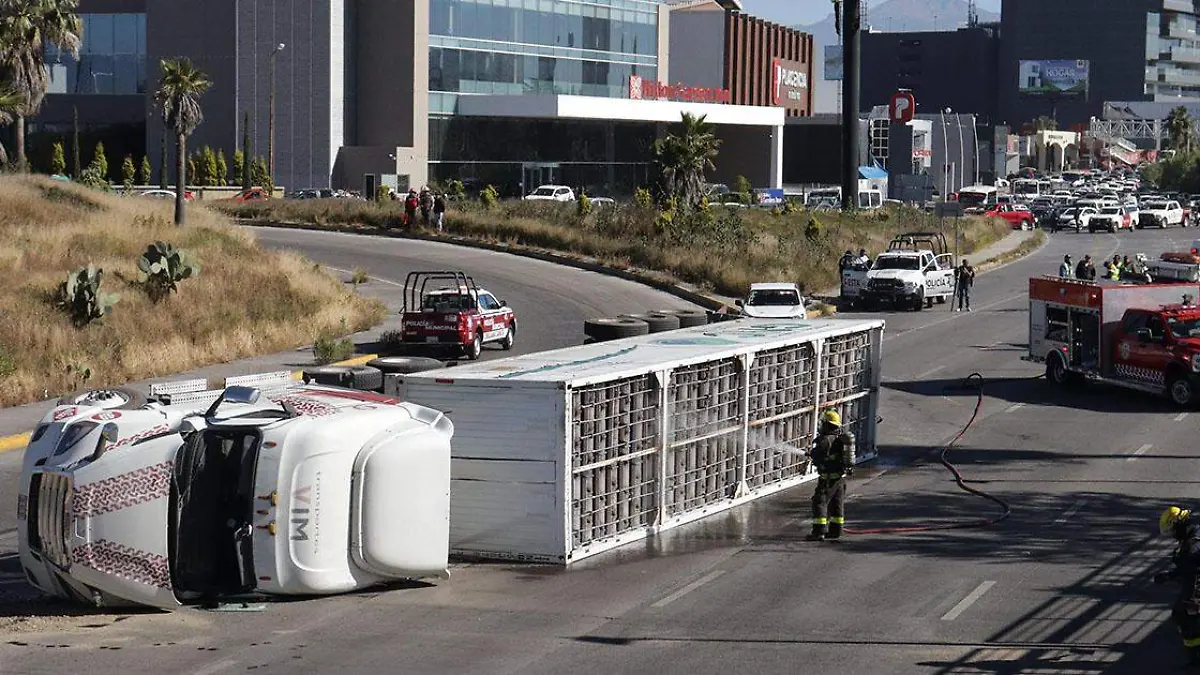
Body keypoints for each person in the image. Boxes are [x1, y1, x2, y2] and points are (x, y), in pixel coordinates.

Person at [1155, 506, 1200, 666]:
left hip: (1195, 584)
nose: (1173, 535)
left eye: (1173, 531)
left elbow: (1190, 570)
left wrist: (1170, 576)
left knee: (1183, 615)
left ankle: (1194, 657)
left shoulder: (1191, 545)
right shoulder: (1195, 535)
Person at [807, 409, 856, 541]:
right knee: (837, 504)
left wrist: (812, 454)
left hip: (827, 480)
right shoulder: (840, 439)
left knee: (820, 503)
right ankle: (836, 530)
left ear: (827, 425)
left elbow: (819, 457)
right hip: (839, 480)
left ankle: (819, 531)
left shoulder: (825, 440)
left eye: (823, 423)